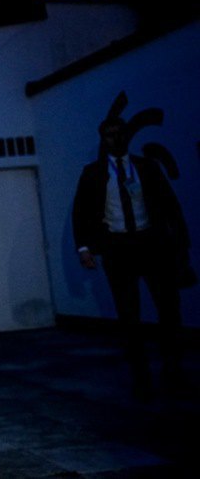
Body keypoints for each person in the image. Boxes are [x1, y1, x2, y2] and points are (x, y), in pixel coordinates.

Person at [73, 116, 190, 397]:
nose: (116, 138)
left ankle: (172, 369)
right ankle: (141, 376)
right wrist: (85, 248)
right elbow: (82, 212)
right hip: (118, 248)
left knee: (168, 309)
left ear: (127, 135)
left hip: (151, 243)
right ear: (103, 139)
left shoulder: (147, 168)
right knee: (129, 315)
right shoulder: (93, 173)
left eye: (119, 133)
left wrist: (181, 244)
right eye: (110, 134)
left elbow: (169, 205)